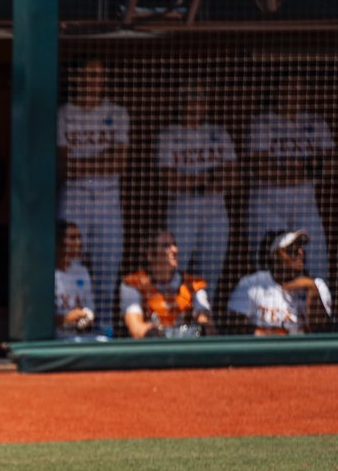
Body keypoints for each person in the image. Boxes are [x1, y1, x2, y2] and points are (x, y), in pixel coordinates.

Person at [57, 57, 130, 335]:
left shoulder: (118, 113)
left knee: (107, 268)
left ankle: (104, 329)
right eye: (87, 75)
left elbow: (119, 163)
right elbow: (64, 166)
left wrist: (82, 164)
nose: (93, 81)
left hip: (108, 199)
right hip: (73, 196)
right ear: (76, 78)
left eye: (98, 76)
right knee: (69, 260)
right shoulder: (64, 113)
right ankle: (67, 327)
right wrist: (101, 161)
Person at [247, 72, 333, 284]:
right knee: (271, 264)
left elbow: (332, 165)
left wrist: (292, 168)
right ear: (277, 92)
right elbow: (264, 170)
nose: (294, 96)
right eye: (289, 90)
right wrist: (311, 168)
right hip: (268, 204)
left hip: (305, 205)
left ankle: (320, 314)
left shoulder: (315, 122)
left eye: (299, 91)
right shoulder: (263, 122)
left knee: (317, 262)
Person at [155, 83, 238, 293]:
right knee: (173, 272)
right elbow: (169, 180)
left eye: (200, 97)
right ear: (180, 102)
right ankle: (171, 320)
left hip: (216, 215)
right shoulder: (168, 135)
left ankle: (203, 323)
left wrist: (192, 181)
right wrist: (208, 177)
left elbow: (232, 177)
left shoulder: (219, 133)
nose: (195, 102)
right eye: (190, 97)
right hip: (182, 214)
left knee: (208, 279)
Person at [228, 229, 332, 335]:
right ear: (275, 255)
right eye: (292, 249)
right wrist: (273, 334)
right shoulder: (253, 284)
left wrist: (312, 289)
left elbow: (321, 330)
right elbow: (233, 326)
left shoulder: (317, 285)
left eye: (301, 248)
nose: (300, 253)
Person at [118, 229, 212, 339]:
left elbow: (207, 325)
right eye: (166, 246)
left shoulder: (193, 284)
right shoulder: (133, 284)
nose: (175, 250)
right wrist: (162, 333)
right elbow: (136, 329)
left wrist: (198, 327)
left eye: (174, 244)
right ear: (150, 255)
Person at [54, 219, 99, 340]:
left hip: (78, 336)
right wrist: (66, 318)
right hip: (54, 339)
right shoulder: (47, 274)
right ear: (58, 242)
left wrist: (86, 316)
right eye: (72, 238)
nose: (78, 242)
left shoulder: (82, 272)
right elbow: (39, 318)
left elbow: (90, 308)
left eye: (79, 237)